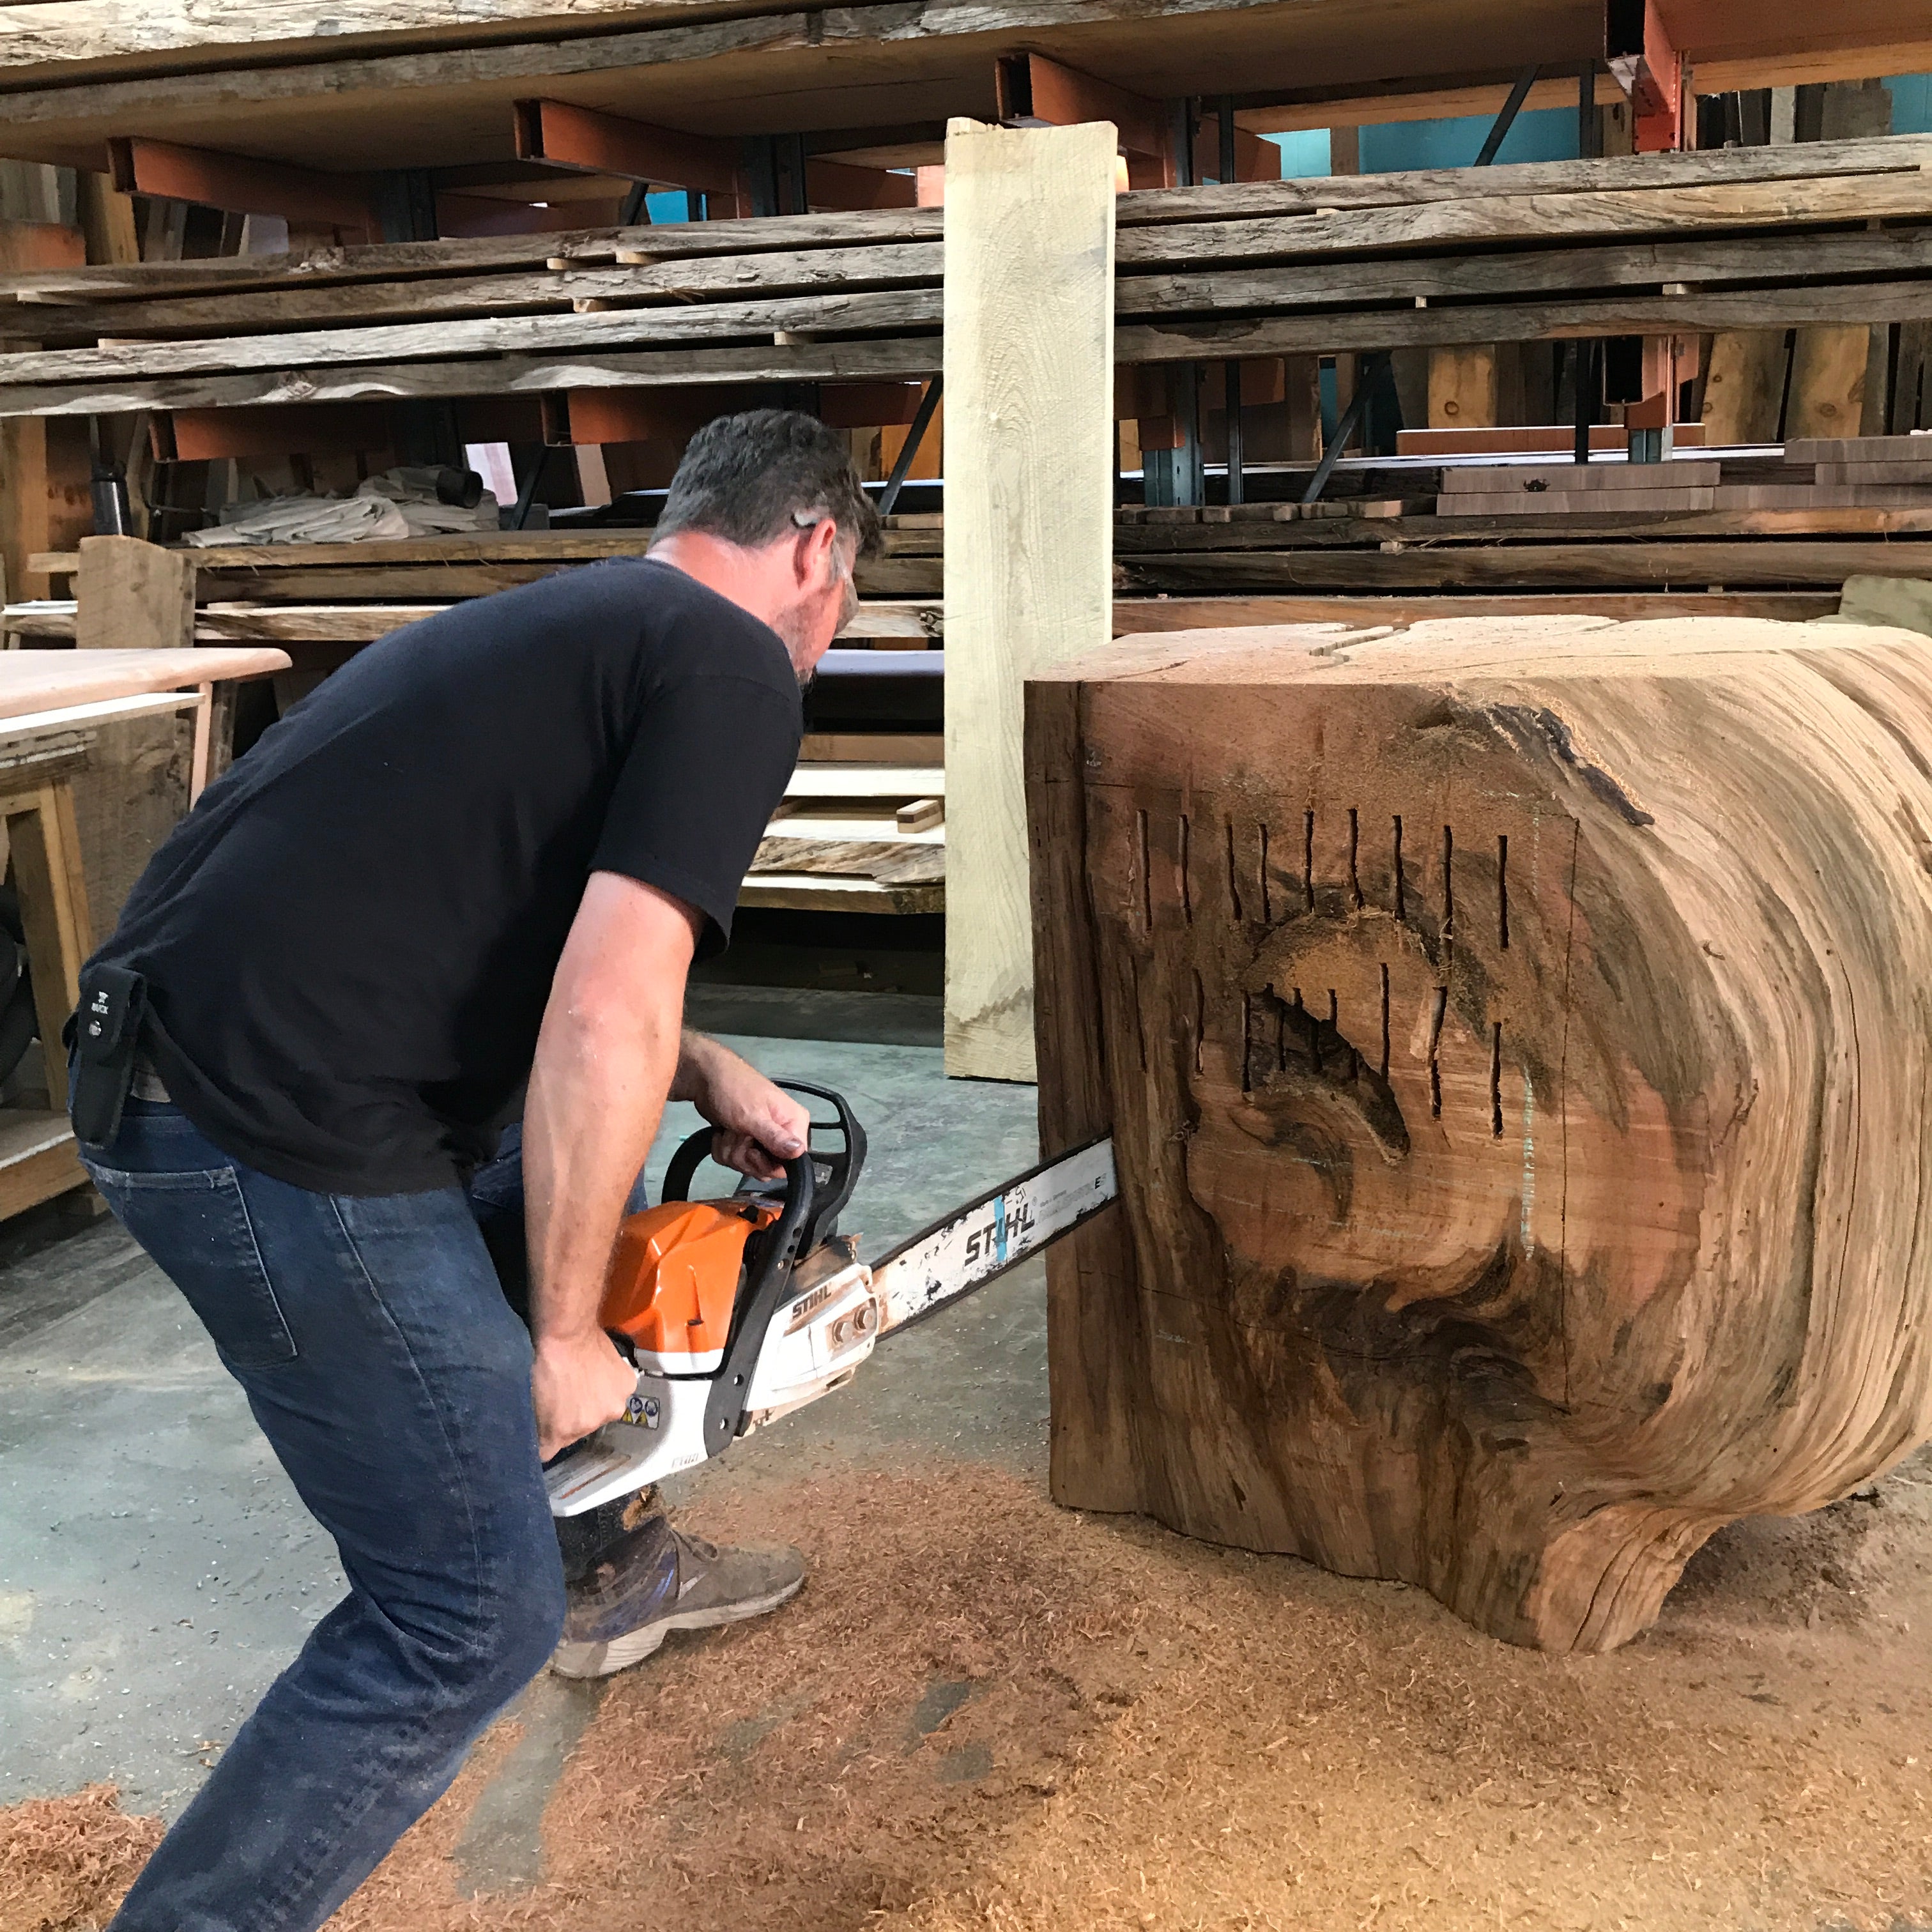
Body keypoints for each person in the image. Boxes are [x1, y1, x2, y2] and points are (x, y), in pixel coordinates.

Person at [66, 410, 878, 1932]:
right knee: (455, 1618)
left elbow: (504, 913)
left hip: (166, 1054)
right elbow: (598, 1007)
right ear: (815, 547)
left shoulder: (568, 622)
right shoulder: (732, 661)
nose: (824, 651)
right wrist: (569, 1341)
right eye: (838, 616)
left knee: (547, 1173)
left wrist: (699, 1065)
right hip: (265, 1125)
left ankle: (607, 1566)